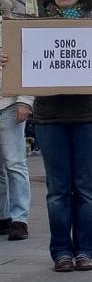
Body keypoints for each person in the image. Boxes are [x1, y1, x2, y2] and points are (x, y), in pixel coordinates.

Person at [0, 0, 92, 272]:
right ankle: (61, 251)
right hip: (50, 118)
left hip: (89, 117)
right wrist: (8, 61)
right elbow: (21, 67)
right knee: (58, 189)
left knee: (83, 186)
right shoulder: (35, 28)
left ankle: (84, 250)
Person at [0, 79, 33, 241]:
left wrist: (25, 101)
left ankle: (19, 220)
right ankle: (3, 216)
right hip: (8, 102)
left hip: (9, 104)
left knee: (15, 163)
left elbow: (25, 64)